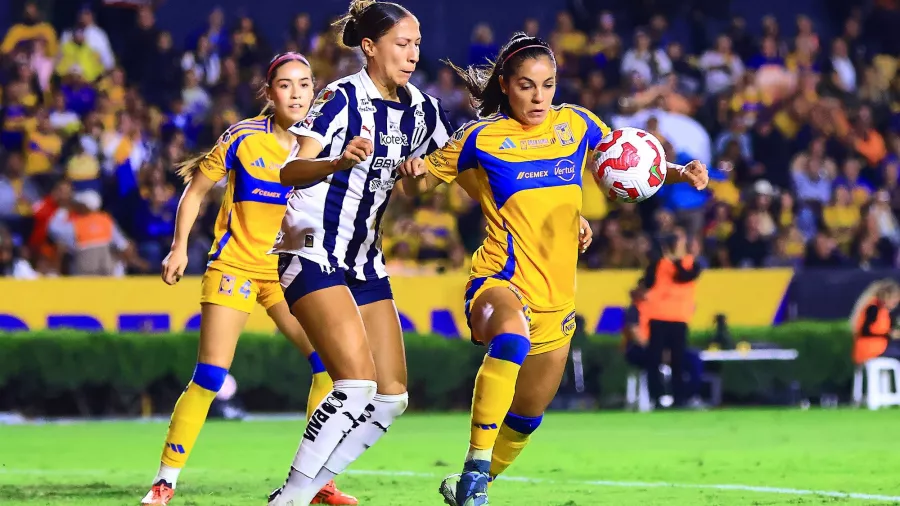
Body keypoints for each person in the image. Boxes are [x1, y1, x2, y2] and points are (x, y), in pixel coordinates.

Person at [397, 32, 709, 506]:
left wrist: (678, 171)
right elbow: (419, 187)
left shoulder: (577, 124)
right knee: (511, 337)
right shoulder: (481, 137)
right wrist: (414, 176)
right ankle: (476, 468)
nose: (539, 97)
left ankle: (470, 490)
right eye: (526, 86)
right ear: (505, 85)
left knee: (527, 415)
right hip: (499, 280)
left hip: (557, 298)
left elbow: (627, 159)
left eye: (548, 85)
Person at [140, 53, 357, 506]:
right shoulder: (242, 137)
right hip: (236, 265)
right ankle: (165, 482)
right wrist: (179, 246)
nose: (296, 94)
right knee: (210, 375)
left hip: (287, 269)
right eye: (285, 85)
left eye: (304, 84)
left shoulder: (324, 144)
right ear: (269, 92)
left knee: (333, 368)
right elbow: (196, 190)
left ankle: (315, 481)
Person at [267, 2, 453, 505]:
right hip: (310, 247)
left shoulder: (424, 110)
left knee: (391, 398)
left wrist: (422, 176)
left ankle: (299, 490)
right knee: (355, 384)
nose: (413, 54)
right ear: (369, 48)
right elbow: (289, 172)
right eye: (402, 43)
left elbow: (436, 177)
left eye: (416, 43)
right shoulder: (340, 97)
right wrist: (335, 160)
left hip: (364, 257)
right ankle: (292, 498)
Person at [642, 227, 702, 408]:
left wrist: (675, 259)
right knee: (654, 360)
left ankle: (679, 399)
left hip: (678, 319)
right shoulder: (658, 264)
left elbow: (684, 276)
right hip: (658, 317)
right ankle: (656, 398)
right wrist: (661, 256)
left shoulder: (691, 264)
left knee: (678, 361)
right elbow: (647, 281)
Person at [851, 279, 900, 364]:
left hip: (879, 348)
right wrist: (888, 334)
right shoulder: (873, 309)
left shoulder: (884, 312)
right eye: (895, 299)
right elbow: (864, 331)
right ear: (886, 296)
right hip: (870, 350)